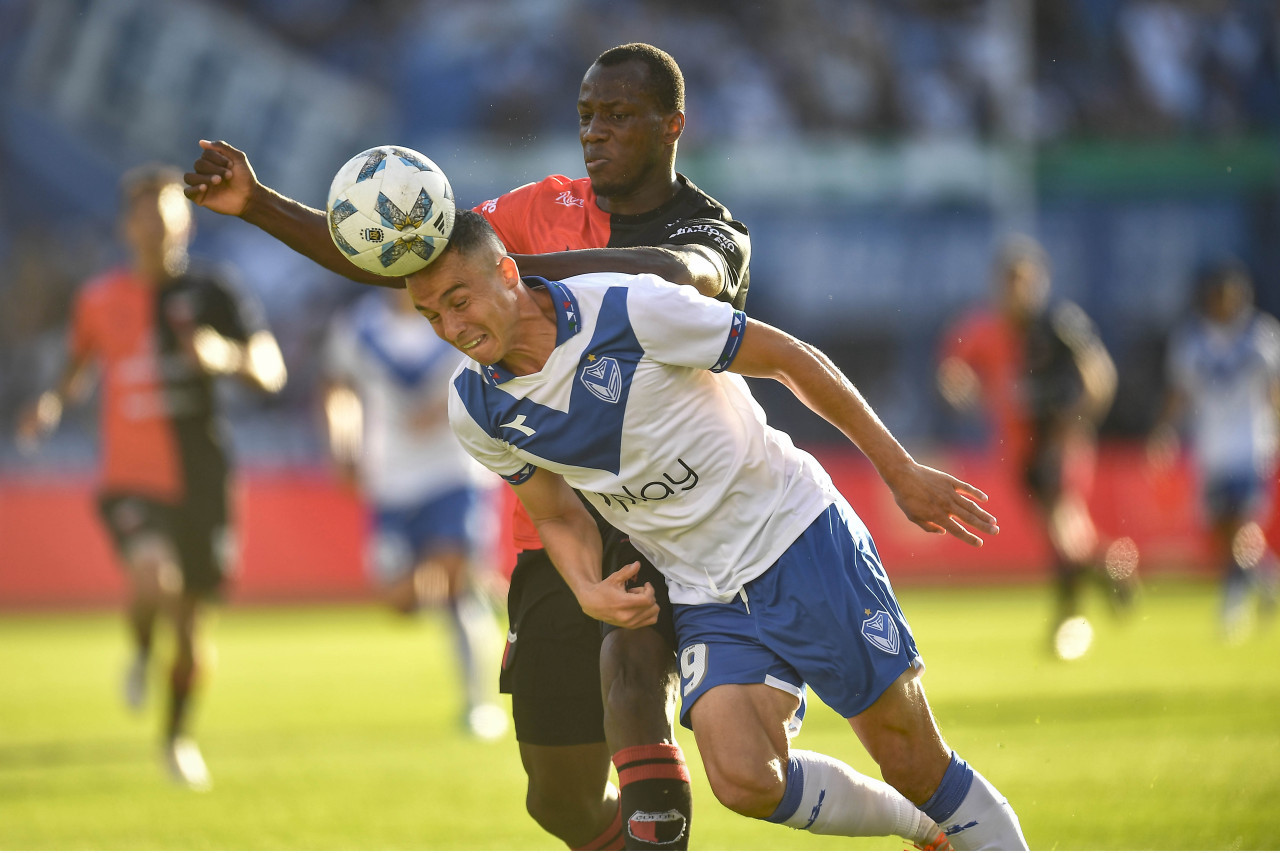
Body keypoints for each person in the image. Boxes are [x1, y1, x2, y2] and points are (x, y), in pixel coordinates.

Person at [184, 43, 752, 850]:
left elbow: (679, 276)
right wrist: (259, 204)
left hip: (673, 510)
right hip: (553, 524)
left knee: (666, 696)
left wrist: (512, 276)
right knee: (556, 800)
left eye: (619, 116)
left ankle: (931, 811)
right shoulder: (541, 204)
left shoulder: (707, 226)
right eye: (587, 115)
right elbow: (411, 261)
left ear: (673, 125)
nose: (596, 132)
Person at [413, 208, 1027, 850]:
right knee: (743, 780)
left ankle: (952, 817)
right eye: (433, 317)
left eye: (460, 301)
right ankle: (926, 831)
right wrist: (586, 586)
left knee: (912, 763)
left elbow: (788, 359)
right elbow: (557, 514)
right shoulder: (476, 408)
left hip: (795, 536)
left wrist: (897, 469)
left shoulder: (631, 310)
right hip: (702, 587)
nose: (453, 328)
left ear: (508, 273)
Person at [16, 164, 287, 790]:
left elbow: (271, 369)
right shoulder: (99, 299)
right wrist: (51, 403)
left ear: (185, 222)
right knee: (151, 575)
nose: (156, 227)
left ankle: (176, 739)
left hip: (203, 476)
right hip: (130, 476)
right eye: (144, 215)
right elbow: (75, 366)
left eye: (167, 214)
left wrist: (229, 356)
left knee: (192, 630)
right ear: (127, 226)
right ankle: (140, 650)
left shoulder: (215, 291)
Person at [937, 236, 1136, 658]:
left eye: (1025, 281)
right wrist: (961, 388)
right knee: (1064, 539)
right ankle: (1112, 569)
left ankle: (1068, 622)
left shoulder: (1058, 324)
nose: (1018, 291)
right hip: (1015, 450)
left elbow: (1099, 376)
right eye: (1011, 281)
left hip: (1056, 443)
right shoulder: (983, 328)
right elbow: (954, 369)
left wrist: (1075, 424)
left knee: (1062, 531)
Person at [322, 286, 507, 737]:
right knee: (400, 601)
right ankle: (494, 590)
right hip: (391, 480)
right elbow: (337, 387)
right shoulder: (360, 326)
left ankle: (477, 704)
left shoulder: (453, 317)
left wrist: (447, 409)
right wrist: (343, 444)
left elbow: (495, 374)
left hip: (454, 471)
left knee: (450, 584)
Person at [1149, 260, 1280, 639]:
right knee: (1223, 531)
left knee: (1241, 523)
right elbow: (1179, 392)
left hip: (1252, 443)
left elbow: (1273, 391)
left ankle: (1232, 603)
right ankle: (1267, 577)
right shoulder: (1191, 340)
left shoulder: (1261, 336)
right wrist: (1165, 429)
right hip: (1211, 448)